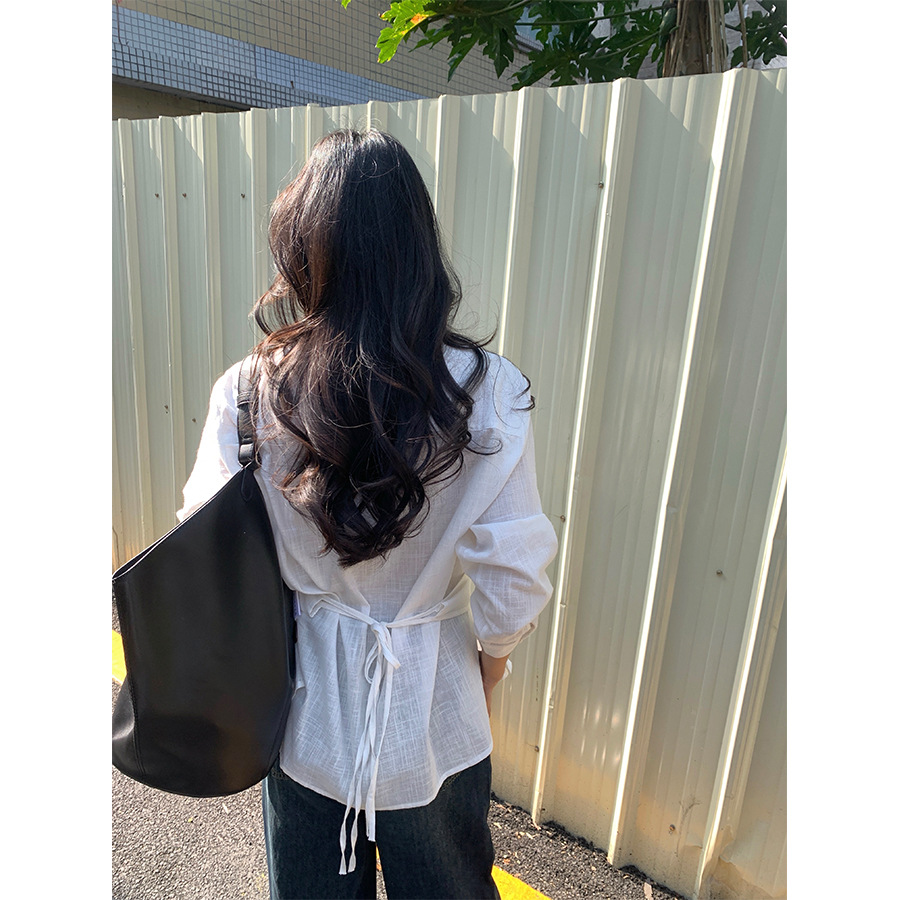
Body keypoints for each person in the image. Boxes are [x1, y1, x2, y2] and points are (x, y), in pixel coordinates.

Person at [178, 129, 558, 900]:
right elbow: (514, 581)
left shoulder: (251, 389)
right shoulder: (488, 390)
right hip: (437, 717)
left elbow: (203, 548)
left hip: (303, 717)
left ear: (303, 248)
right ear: (419, 247)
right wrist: (487, 672)